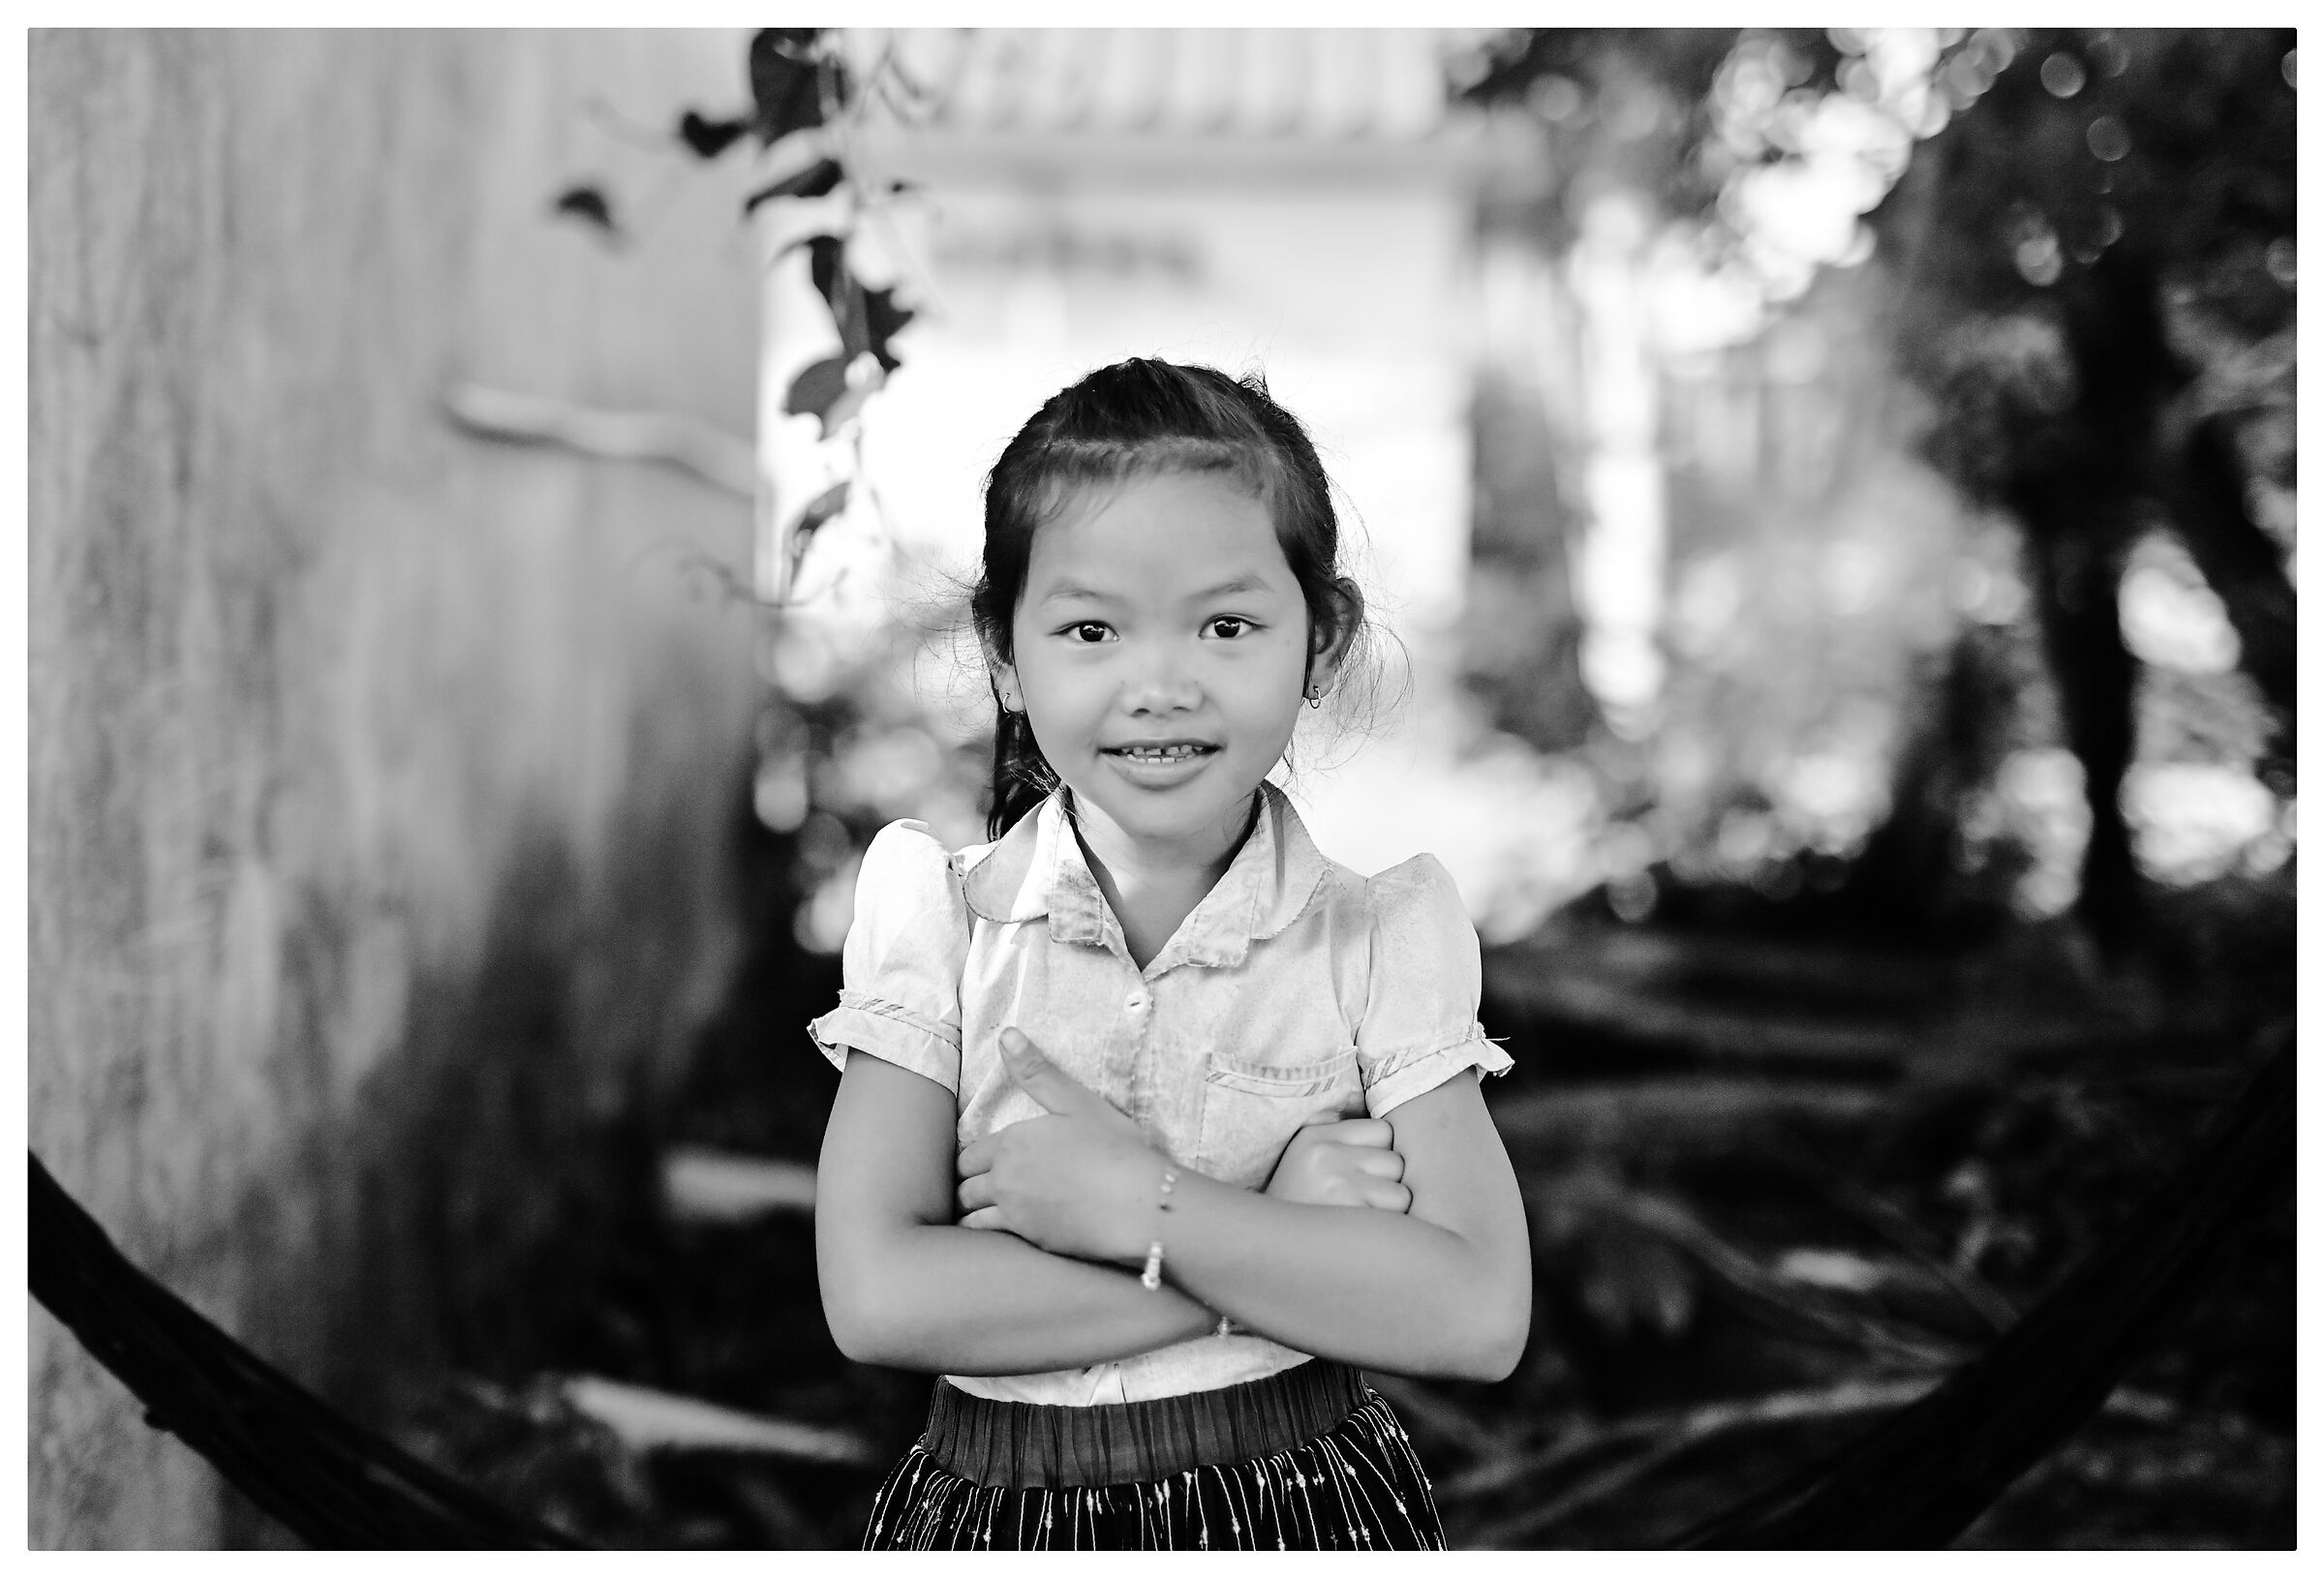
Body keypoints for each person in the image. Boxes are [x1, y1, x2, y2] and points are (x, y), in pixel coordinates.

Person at [810, 358, 1531, 1550]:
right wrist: (1259, 1242)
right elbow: (878, 1299)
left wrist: (1145, 1208)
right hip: (1001, 1521)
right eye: (1090, 628)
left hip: (1302, 1510)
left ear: (1323, 638)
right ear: (1003, 650)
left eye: (1227, 624)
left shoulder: (1373, 941)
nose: (1160, 684)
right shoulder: (939, 928)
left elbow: (1475, 1310)